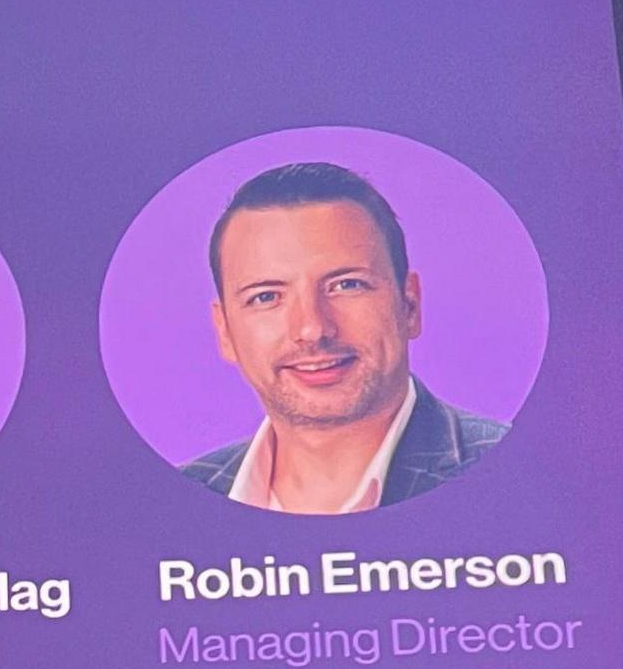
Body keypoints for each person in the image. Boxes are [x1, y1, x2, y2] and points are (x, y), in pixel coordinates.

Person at [178, 160, 506, 514]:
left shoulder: (515, 472)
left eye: (347, 285)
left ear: (409, 305)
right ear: (224, 330)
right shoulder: (171, 508)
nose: (312, 329)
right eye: (267, 296)